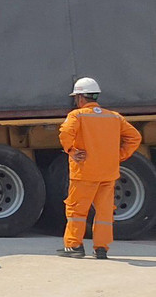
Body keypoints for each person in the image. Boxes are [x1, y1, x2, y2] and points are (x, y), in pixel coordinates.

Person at [57, 77, 141, 260]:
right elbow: (134, 137)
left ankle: (74, 246)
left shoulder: (77, 116)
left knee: (77, 211)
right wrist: (119, 155)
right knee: (104, 212)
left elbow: (65, 132)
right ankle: (101, 248)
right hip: (108, 173)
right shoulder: (114, 117)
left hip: (84, 172)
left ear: (79, 98)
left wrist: (71, 150)